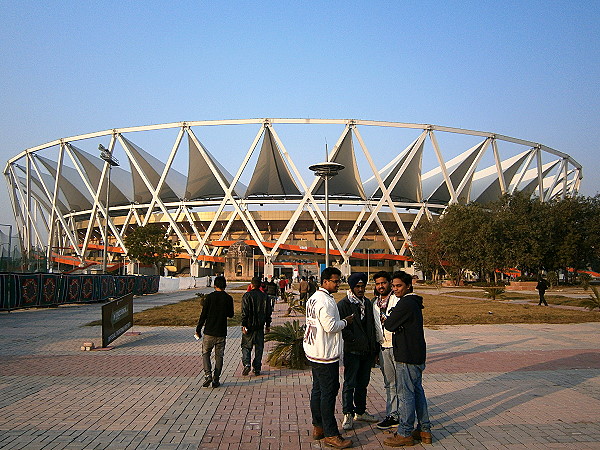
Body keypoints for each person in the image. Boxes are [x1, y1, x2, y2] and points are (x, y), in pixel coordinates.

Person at [304, 267, 354, 449]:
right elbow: (330, 326)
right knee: (329, 393)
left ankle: (318, 426)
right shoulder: (326, 301)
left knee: (317, 390)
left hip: (314, 351)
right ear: (325, 282)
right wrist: (347, 321)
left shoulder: (313, 298)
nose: (338, 284)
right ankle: (331, 434)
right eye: (335, 281)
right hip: (325, 354)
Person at [383, 271, 432, 447]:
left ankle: (405, 432)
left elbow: (389, 324)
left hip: (407, 355)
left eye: (399, 286)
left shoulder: (406, 303)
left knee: (406, 395)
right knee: (417, 392)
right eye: (393, 286)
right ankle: (424, 429)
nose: (395, 289)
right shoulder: (414, 303)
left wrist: (392, 320)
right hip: (416, 353)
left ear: (408, 286)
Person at [337, 272, 380, 431]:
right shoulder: (344, 305)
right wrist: (354, 341)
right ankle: (348, 413)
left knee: (363, 383)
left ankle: (360, 411)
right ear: (352, 287)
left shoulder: (367, 303)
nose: (361, 289)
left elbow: (371, 327)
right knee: (350, 383)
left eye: (363, 286)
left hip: (366, 352)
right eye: (358, 287)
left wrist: (373, 349)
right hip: (353, 351)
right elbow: (342, 328)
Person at [372, 271, 401, 430]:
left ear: (389, 282)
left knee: (402, 383)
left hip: (397, 347)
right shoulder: (375, 304)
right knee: (389, 383)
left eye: (383, 283)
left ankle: (405, 414)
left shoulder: (397, 300)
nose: (380, 286)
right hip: (383, 348)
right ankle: (392, 415)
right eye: (377, 284)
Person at [195, 275, 234, 388]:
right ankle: (216, 379)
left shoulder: (209, 297)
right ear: (225, 285)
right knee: (219, 356)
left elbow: (203, 315)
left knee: (206, 353)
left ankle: (208, 375)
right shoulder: (228, 298)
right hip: (221, 332)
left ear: (214, 285)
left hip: (209, 331)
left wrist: (198, 329)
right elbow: (230, 315)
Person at [241, 276, 273, 376]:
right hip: (260, 326)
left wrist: (244, 325)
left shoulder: (247, 296)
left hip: (249, 326)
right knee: (259, 348)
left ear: (251, 285)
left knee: (246, 346)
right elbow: (268, 312)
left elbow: (244, 312)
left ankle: (247, 364)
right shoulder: (265, 297)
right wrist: (268, 325)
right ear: (260, 285)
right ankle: (257, 367)